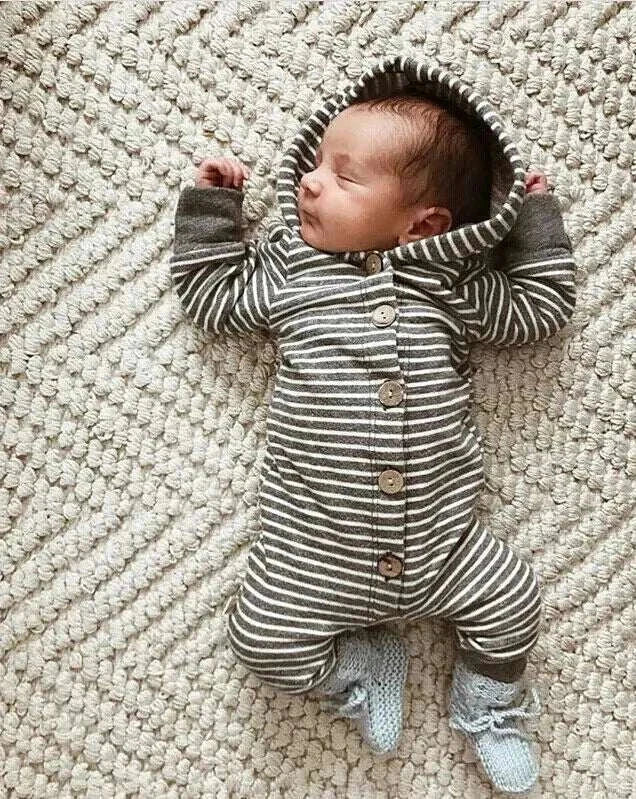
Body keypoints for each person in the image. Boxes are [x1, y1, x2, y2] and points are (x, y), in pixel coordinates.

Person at [169, 56, 576, 796]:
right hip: (312, 550)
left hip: (447, 544)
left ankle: (489, 700)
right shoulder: (292, 267)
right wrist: (210, 210)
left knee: (514, 597)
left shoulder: (451, 282)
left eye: (344, 176)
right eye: (317, 164)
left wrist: (536, 225)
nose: (310, 182)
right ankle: (360, 663)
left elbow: (537, 313)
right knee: (260, 639)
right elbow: (213, 298)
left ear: (425, 222)